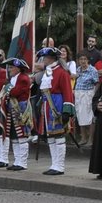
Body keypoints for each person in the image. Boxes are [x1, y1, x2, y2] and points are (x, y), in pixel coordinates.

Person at [35, 46, 76, 176]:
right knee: (51, 137)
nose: (43, 60)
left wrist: (66, 111)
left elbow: (68, 92)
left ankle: (60, 166)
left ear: (51, 58)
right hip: (47, 106)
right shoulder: (48, 71)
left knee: (58, 137)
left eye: (45, 58)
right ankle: (54, 164)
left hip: (57, 106)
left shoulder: (62, 72)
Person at [0, 56, 34, 171]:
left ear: (18, 68)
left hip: (21, 109)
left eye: (12, 67)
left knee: (22, 136)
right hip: (12, 109)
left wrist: (8, 89)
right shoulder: (14, 78)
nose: (9, 70)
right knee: (14, 136)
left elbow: (15, 92)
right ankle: (17, 161)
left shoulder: (23, 78)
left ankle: (22, 162)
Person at [73, 54, 99, 143]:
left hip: (88, 94)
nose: (83, 61)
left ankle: (91, 139)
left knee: (90, 116)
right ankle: (83, 137)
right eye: (81, 59)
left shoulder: (92, 70)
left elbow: (97, 83)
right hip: (78, 94)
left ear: (88, 60)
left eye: (85, 59)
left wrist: (94, 96)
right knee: (80, 116)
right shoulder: (78, 69)